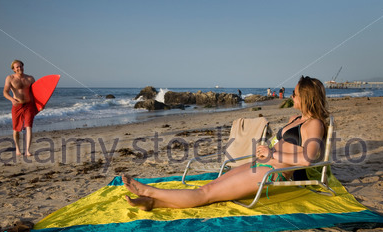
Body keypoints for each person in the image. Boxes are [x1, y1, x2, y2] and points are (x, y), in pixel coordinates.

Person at [123, 76, 329, 211]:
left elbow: (308, 159)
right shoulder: (296, 119)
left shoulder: (314, 124)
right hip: (263, 164)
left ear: (305, 96)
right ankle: (153, 202)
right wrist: (267, 151)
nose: (291, 97)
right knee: (210, 186)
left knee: (206, 194)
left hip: (273, 172)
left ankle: (149, 192)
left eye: (294, 94)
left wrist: (272, 154)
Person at [3, 59, 36, 156]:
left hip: (29, 105)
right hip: (17, 106)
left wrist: (40, 105)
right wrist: (11, 100)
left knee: (28, 126)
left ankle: (27, 150)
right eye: (17, 67)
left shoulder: (30, 78)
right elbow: (5, 92)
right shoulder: (10, 78)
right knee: (16, 129)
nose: (19, 68)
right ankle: (17, 149)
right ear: (13, 69)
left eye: (20, 66)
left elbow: (36, 93)